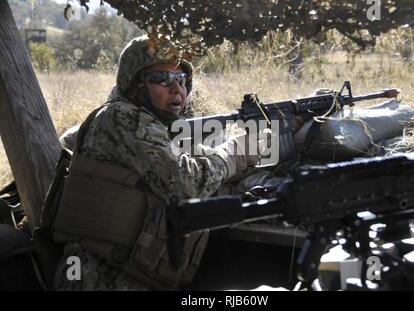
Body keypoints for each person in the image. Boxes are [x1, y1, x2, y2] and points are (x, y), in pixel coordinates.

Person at [51, 34, 276, 290]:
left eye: (181, 79)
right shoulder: (122, 117)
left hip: (127, 271)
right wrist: (235, 154)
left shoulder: (151, 126)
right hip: (102, 278)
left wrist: (256, 147)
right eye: (161, 79)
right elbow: (186, 185)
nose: (176, 89)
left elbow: (195, 162)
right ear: (135, 85)